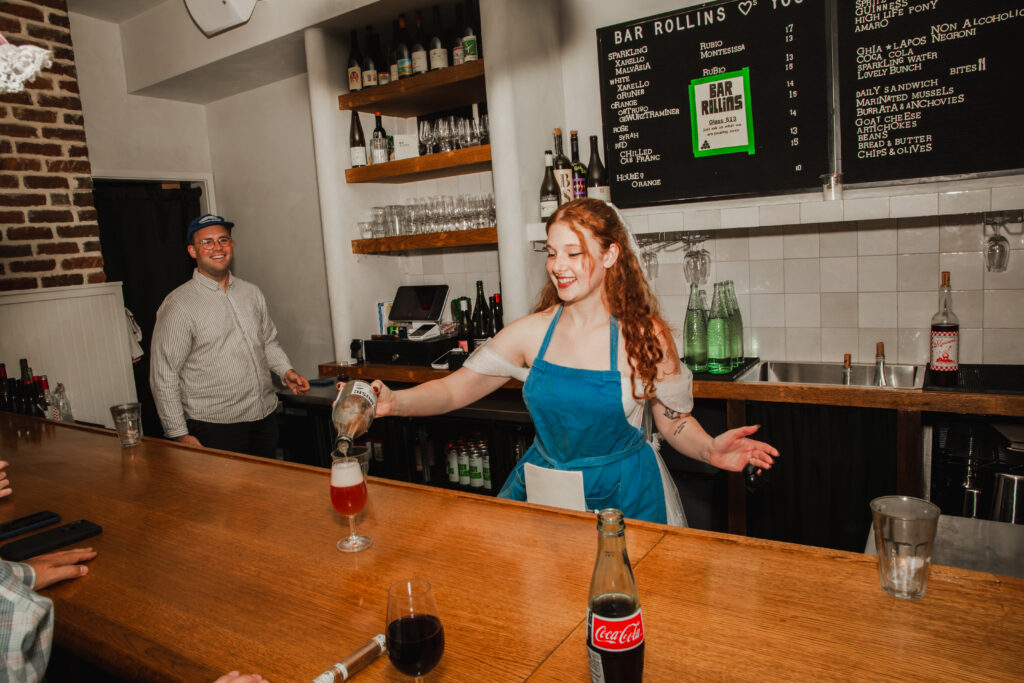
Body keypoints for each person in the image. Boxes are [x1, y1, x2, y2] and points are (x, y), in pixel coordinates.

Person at [361, 199, 778, 524]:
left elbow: (671, 419)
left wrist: (709, 449)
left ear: (611, 255)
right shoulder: (531, 333)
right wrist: (395, 402)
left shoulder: (643, 336)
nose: (558, 266)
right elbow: (455, 388)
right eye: (551, 252)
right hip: (548, 488)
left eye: (574, 253)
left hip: (626, 495)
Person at [151, 213, 310, 459]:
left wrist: (286, 371)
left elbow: (267, 341)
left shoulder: (252, 293)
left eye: (223, 240)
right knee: (225, 497)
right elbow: (164, 374)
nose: (217, 247)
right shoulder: (179, 305)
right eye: (207, 242)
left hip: (264, 418)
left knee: (265, 494)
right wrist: (178, 433)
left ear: (232, 245)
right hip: (215, 428)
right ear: (193, 251)